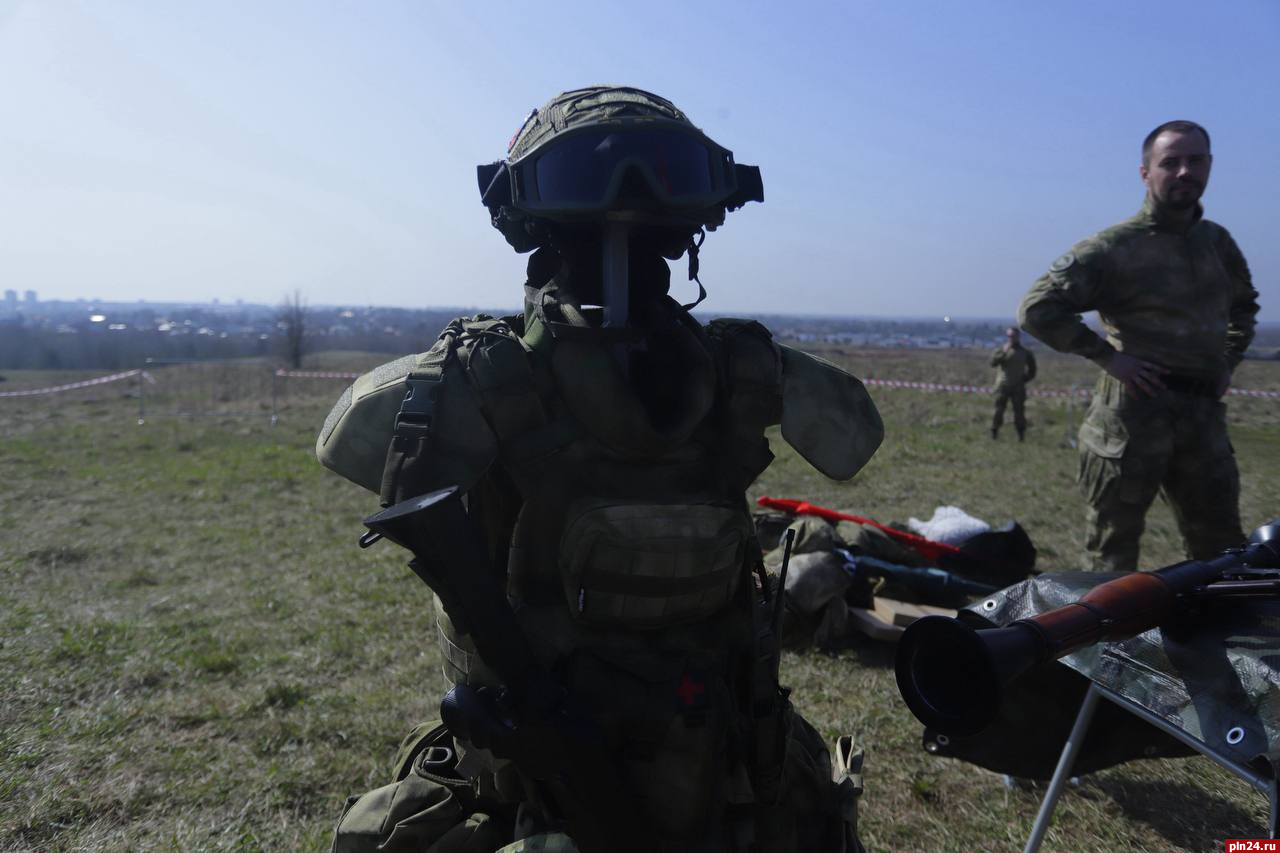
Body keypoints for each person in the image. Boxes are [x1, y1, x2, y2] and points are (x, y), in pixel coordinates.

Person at [317, 86, 883, 853]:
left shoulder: (738, 373)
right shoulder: (475, 383)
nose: (625, 213)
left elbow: (856, 436)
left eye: (654, 185)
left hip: (723, 762)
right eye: (595, 183)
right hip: (543, 777)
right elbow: (345, 436)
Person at [1018, 120, 1260, 573]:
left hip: (1202, 417)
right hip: (1132, 417)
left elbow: (1244, 306)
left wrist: (1228, 361)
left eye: (1196, 161)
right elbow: (1037, 309)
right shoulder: (1115, 247)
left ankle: (1209, 622)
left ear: (1210, 166)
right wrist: (1108, 358)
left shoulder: (1217, 244)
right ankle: (1112, 624)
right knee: (1112, 556)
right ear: (1146, 172)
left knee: (1222, 552)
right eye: (1171, 162)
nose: (1185, 171)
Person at [989, 326, 1037, 441]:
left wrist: (1024, 379)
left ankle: (1021, 435)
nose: (1011, 338)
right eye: (1009, 336)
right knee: (998, 411)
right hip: (1002, 386)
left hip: (1018, 387)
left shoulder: (1025, 352)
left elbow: (1032, 370)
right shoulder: (1001, 350)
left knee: (1019, 412)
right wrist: (1004, 353)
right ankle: (994, 432)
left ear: (1018, 337)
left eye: (1014, 336)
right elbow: (993, 363)